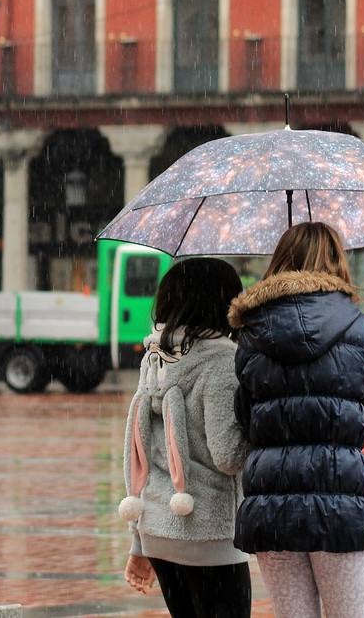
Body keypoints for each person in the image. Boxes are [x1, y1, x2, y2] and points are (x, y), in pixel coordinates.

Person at [229, 222, 364, 618]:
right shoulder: (358, 327)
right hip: (339, 492)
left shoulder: (250, 333)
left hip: (271, 497)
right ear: (335, 261)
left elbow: (245, 416)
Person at [120, 258, 252, 618]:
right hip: (209, 534)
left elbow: (139, 453)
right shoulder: (222, 363)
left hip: (158, 532)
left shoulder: (155, 358)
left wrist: (138, 542)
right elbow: (227, 456)